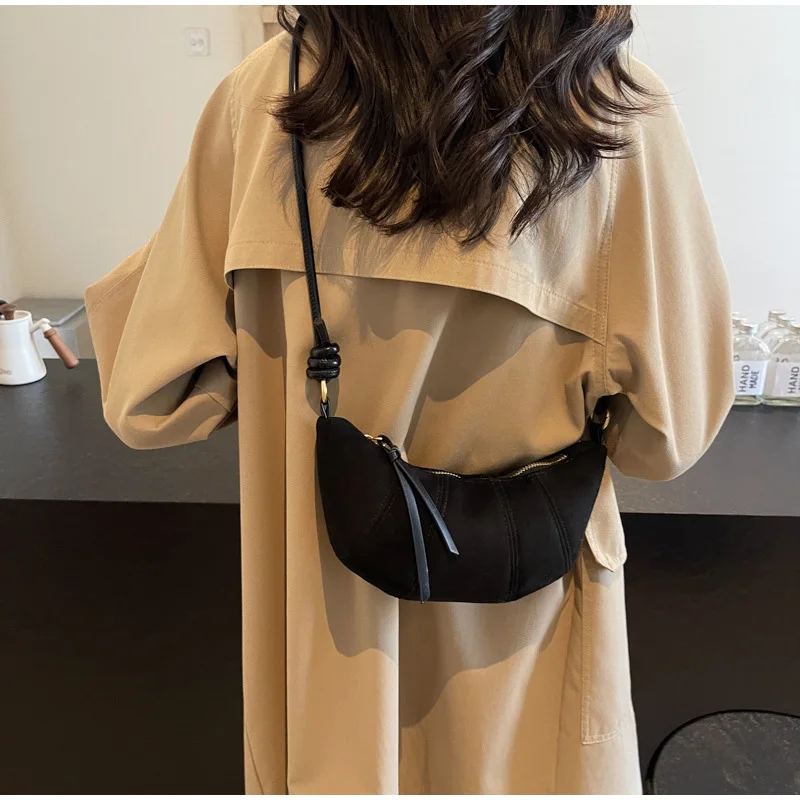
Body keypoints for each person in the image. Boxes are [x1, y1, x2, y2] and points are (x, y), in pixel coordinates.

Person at [86, 6, 733, 794]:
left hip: (327, 644)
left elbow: (150, 400)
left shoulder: (269, 96)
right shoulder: (613, 109)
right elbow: (668, 437)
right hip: (526, 631)